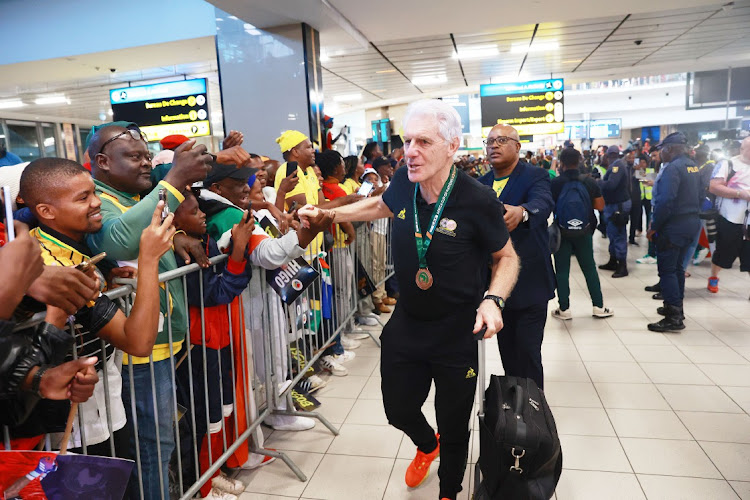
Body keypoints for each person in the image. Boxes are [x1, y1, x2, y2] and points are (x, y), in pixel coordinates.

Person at [299, 99, 520, 500]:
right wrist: (332, 216)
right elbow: (381, 206)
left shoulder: (477, 200)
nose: (410, 151)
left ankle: (450, 490)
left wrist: (493, 300)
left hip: (457, 331)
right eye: (407, 141)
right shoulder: (404, 180)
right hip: (408, 323)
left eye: (423, 141)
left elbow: (506, 257)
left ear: (452, 146)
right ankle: (425, 443)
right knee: (397, 409)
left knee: (454, 425)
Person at [85, 122, 212, 499]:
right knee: (152, 446)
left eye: (146, 156)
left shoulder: (130, 195)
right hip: (138, 351)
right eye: (135, 157)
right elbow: (121, 238)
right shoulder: (100, 201)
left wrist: (176, 234)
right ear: (103, 162)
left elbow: (147, 225)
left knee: (161, 440)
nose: (145, 164)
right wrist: (174, 178)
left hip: (162, 343)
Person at [19, 157, 174, 460]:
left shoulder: (65, 240)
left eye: (94, 192)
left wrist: (108, 277)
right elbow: (138, 342)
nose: (96, 203)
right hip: (72, 419)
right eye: (83, 198)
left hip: (95, 398)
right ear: (47, 211)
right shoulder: (59, 267)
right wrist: (149, 259)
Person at [478, 124, 555, 389]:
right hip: (496, 288)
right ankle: (515, 412)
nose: (494, 146)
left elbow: (543, 203)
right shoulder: (481, 184)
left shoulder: (535, 176)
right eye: (489, 142)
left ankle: (535, 415)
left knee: (528, 354)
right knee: (508, 354)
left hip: (530, 283)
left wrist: (522, 212)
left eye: (501, 140)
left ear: (517, 146)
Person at [549, 148, 614, 320]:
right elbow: (600, 206)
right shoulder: (589, 181)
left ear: (561, 163)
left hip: (562, 232)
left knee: (562, 270)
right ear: (579, 162)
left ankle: (564, 309)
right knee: (589, 268)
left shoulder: (556, 183)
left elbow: (550, 206)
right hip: (584, 231)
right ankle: (598, 307)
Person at [647, 132, 702, 332]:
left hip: (674, 226)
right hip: (692, 222)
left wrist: (654, 226)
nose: (660, 153)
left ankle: (674, 316)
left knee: (668, 270)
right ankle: (677, 307)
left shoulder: (672, 169)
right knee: (678, 268)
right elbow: (701, 195)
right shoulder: (693, 166)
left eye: (662, 149)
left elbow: (665, 201)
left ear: (669, 149)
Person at [706, 136, 750, 293]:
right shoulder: (728, 164)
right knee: (723, 252)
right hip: (729, 218)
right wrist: (740, 193)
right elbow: (714, 187)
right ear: (742, 149)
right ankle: (713, 277)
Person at [597, 145, 632, 278]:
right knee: (612, 233)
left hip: (618, 205)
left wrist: (598, 182)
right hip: (613, 204)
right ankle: (613, 260)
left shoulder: (617, 166)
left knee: (618, 235)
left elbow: (612, 185)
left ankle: (622, 265)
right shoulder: (617, 165)